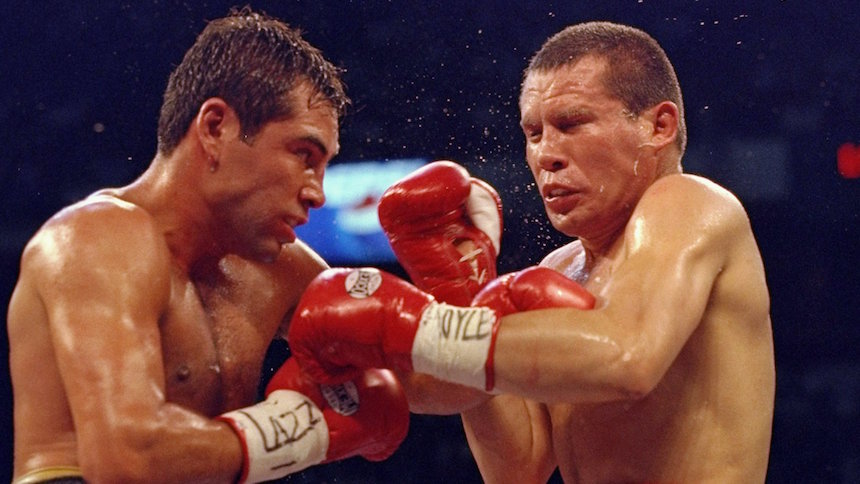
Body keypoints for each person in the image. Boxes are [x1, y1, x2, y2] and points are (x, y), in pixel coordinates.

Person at [285, 21, 775, 483]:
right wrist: (464, 303)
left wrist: (425, 330)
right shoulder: (558, 269)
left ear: (659, 126)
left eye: (571, 123)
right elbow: (519, 468)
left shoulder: (692, 203)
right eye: (534, 133)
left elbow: (627, 358)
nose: (546, 154)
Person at [6, 8, 410, 484]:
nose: (317, 193)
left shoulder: (274, 267)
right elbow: (125, 459)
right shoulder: (96, 240)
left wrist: (462, 299)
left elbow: (417, 370)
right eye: (304, 155)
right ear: (216, 128)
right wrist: (298, 434)